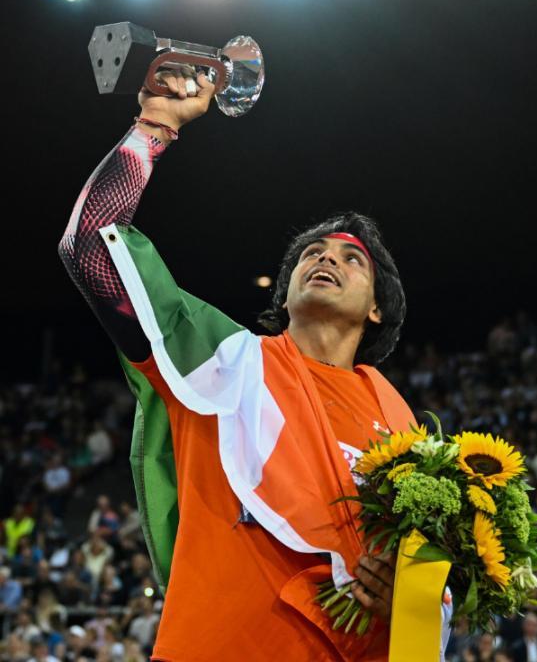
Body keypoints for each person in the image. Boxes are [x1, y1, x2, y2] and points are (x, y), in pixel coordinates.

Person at [58, 72, 425, 660]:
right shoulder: (221, 360)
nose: (326, 257)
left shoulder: (407, 427)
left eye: (351, 259)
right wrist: (157, 125)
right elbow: (91, 249)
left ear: (378, 307)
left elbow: (431, 596)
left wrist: (408, 594)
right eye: (312, 253)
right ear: (284, 296)